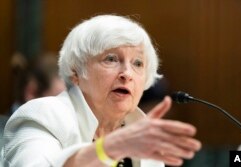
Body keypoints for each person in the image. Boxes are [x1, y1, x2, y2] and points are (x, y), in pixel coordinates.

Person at [2, 14, 201, 167]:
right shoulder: (43, 115)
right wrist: (112, 147)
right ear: (76, 72)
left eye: (138, 63)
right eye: (111, 59)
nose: (127, 73)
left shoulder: (142, 133)